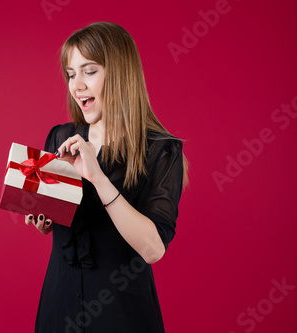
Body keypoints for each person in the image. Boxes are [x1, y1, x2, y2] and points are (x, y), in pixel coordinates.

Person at [24, 22, 189, 333]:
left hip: (122, 314)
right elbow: (63, 220)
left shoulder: (161, 151)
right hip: (58, 306)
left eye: (89, 71)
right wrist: (44, 219)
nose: (76, 86)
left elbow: (154, 249)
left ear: (119, 73)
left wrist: (98, 177)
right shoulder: (60, 136)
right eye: (71, 74)